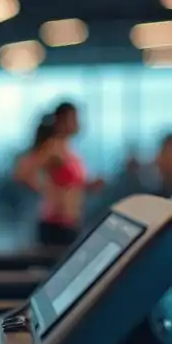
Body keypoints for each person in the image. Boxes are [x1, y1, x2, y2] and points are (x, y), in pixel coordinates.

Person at [14, 102, 105, 247]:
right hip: (56, 225)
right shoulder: (54, 148)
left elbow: (69, 182)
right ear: (61, 121)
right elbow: (22, 171)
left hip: (71, 223)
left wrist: (88, 185)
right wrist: (44, 188)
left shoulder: (69, 150)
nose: (78, 123)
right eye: (73, 118)